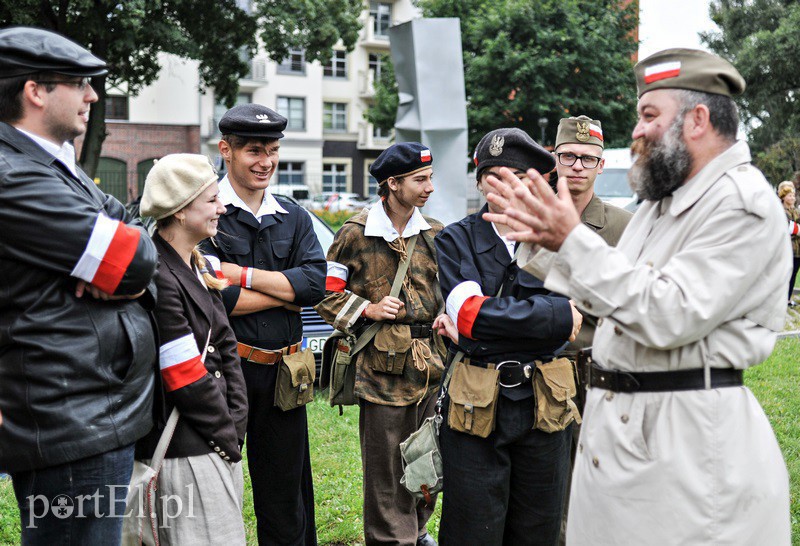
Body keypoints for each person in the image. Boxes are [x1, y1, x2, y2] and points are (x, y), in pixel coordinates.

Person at [484, 48, 792, 545]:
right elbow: (619, 291)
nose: (637, 131)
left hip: (686, 449)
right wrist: (543, 242)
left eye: (650, 116)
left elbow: (668, 312)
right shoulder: (663, 205)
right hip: (632, 437)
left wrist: (568, 240)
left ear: (697, 119)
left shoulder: (741, 204)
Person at [0, 27, 158, 543]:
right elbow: (136, 258)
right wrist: (129, 273)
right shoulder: (15, 176)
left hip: (87, 413)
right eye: (80, 82)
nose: (92, 95)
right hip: (68, 421)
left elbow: (133, 228)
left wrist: (125, 270)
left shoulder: (49, 165)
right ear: (36, 91)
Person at [432, 129, 581, 546]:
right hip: (476, 403)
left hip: (545, 402)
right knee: (471, 529)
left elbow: (577, 312)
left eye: (515, 174)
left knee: (539, 529)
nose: (503, 185)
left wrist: (490, 320)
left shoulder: (556, 241)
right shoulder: (455, 238)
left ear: (533, 181)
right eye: (491, 175)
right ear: (479, 183)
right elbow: (467, 316)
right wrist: (553, 314)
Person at [201, 103, 326, 545]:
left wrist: (243, 275)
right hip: (223, 372)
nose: (266, 162)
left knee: (286, 499)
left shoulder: (292, 215)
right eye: (254, 150)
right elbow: (216, 297)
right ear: (226, 150)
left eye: (272, 150)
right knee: (216, 492)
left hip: (284, 375)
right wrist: (283, 293)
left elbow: (315, 286)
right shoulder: (205, 211)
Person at [315, 142, 444, 546]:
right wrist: (367, 309)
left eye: (430, 177)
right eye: (420, 179)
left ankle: (418, 529)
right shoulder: (354, 234)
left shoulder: (436, 233)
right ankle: (393, 540)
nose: (429, 187)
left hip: (433, 366)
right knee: (386, 466)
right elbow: (325, 293)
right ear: (392, 183)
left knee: (429, 455)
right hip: (382, 370)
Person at [137, 154, 249, 543]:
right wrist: (227, 432)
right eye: (212, 200)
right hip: (186, 445)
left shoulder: (196, 264)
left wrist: (236, 421)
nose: (222, 208)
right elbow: (183, 373)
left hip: (214, 438)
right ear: (182, 211)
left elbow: (226, 347)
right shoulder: (159, 274)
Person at [550, 115, 632, 545]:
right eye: (569, 156)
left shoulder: (624, 226)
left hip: (598, 372)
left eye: (588, 158)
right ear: (555, 158)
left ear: (601, 165)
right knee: (546, 480)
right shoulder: (533, 218)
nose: (577, 165)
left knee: (600, 474)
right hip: (540, 372)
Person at [778, 180, 800, 306]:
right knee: (785, 274)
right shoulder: (780, 211)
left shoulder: (795, 211)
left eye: (793, 195)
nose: (792, 198)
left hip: (797, 250)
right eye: (790, 195)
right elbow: (789, 228)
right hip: (786, 249)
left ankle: (788, 299)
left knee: (794, 275)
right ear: (783, 197)